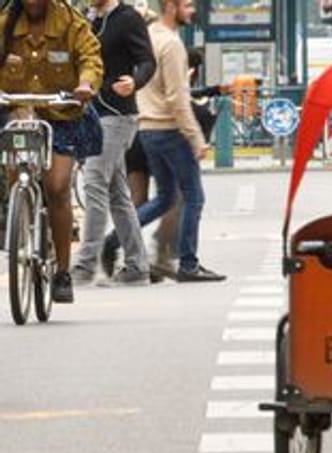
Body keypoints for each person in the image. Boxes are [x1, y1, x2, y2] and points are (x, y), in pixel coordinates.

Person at [0, 0, 103, 304]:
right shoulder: (6, 23)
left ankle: (62, 272)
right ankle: (21, 213)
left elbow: (90, 58)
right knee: (16, 172)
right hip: (19, 112)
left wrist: (85, 84)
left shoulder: (71, 23)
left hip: (61, 117)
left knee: (57, 187)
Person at [132, 0, 222, 282]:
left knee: (164, 197)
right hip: (169, 128)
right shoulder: (171, 45)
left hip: (147, 127)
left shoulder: (149, 37)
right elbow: (177, 98)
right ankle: (188, 263)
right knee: (193, 196)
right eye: (188, 5)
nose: (193, 10)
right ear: (170, 7)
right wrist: (196, 138)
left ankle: (114, 240)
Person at [71, 0, 155, 287]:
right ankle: (137, 266)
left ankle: (84, 265)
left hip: (118, 115)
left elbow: (147, 60)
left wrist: (135, 80)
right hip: (91, 114)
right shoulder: (86, 18)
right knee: (118, 195)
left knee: (94, 182)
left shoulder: (127, 18)